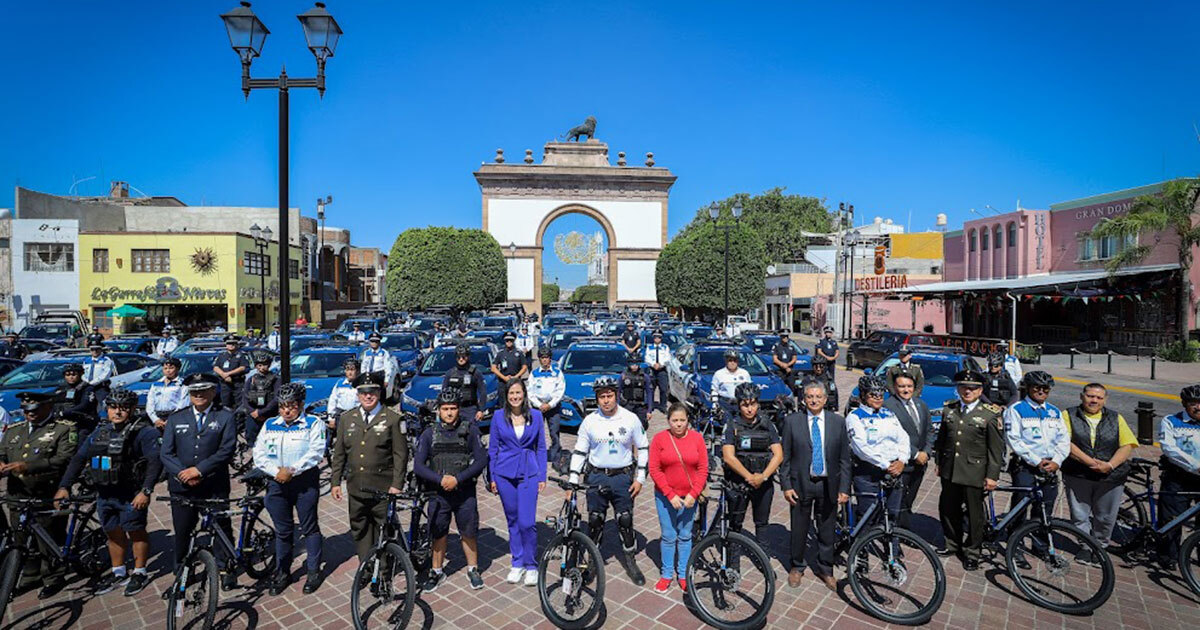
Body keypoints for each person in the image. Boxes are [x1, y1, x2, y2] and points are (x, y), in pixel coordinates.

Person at [55, 387, 160, 596]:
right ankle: (119, 571)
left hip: (131, 494)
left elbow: (154, 462)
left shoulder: (144, 432)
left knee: (136, 532)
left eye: (123, 408)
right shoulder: (100, 430)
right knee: (112, 533)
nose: (118, 412)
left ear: (131, 409)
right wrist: (64, 486)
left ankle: (140, 572)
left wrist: (146, 491)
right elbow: (79, 459)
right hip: (104, 494)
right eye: (113, 407)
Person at [159, 373, 238, 591]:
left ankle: (225, 568)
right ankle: (183, 573)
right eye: (194, 391)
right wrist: (184, 473)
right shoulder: (176, 418)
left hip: (213, 484)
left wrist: (199, 470)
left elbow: (226, 449)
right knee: (183, 531)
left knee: (221, 527)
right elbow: (166, 453)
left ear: (213, 392)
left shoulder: (224, 417)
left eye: (204, 390)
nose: (199, 394)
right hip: (182, 486)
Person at [568, 375, 650, 585]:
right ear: (597, 399)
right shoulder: (590, 421)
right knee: (595, 521)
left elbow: (642, 447)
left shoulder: (630, 418)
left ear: (616, 395)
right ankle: (593, 562)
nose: (606, 400)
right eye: (602, 397)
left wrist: (640, 478)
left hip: (622, 477)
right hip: (596, 476)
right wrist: (573, 480)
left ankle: (630, 562)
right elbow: (579, 451)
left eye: (609, 396)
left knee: (624, 520)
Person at [0, 392, 78, 598]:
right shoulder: (15, 429)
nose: (29, 414)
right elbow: (2, 451)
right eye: (26, 410)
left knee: (48, 537)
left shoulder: (63, 428)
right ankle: (29, 573)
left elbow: (64, 458)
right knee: (20, 535)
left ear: (47, 406)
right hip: (18, 493)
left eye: (33, 410)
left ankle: (53, 577)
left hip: (45, 491)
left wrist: (28, 466)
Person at [329, 372, 409, 572]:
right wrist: (335, 482)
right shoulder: (347, 419)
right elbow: (339, 453)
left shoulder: (392, 419)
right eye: (363, 392)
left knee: (384, 528)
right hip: (356, 486)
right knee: (360, 528)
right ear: (357, 394)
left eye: (372, 391)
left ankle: (382, 569)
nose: (368, 396)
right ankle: (366, 565)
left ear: (379, 392)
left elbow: (401, 454)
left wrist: (397, 484)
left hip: (383, 487)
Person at [252, 382, 327, 595]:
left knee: (309, 527)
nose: (286, 410)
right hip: (277, 483)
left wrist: (292, 470)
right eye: (282, 405)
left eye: (292, 405)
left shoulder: (313, 423)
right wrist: (276, 472)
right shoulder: (269, 424)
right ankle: (282, 572)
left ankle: (313, 571)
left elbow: (316, 452)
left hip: (304, 482)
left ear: (301, 405)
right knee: (283, 531)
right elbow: (259, 453)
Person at [414, 389, 489, 591]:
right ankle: (437, 571)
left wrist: (458, 479)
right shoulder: (429, 433)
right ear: (438, 410)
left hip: (464, 492)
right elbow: (418, 466)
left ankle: (473, 569)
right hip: (438, 494)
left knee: (469, 532)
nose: (449, 413)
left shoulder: (470, 430)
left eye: (453, 409)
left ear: (459, 410)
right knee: (438, 533)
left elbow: (482, 459)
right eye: (445, 409)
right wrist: (440, 480)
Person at [781, 381, 850, 590]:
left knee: (827, 528)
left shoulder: (837, 422)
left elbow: (844, 459)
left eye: (818, 397)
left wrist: (844, 488)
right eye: (810, 396)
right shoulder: (792, 422)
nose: (814, 400)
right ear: (803, 399)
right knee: (799, 527)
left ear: (825, 399)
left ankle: (825, 568)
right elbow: (785, 457)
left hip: (828, 484)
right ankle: (797, 566)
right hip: (801, 484)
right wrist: (786, 485)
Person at [934, 369, 1005, 570]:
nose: (968, 391)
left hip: (975, 472)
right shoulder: (950, 409)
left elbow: (995, 450)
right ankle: (952, 543)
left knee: (975, 516)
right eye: (964, 387)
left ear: (980, 390)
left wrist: (992, 476)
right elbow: (942, 439)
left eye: (973, 388)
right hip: (950, 469)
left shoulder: (990, 414)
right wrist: (939, 461)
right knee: (948, 508)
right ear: (958, 388)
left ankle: (973, 551)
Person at [1061, 383, 1136, 566]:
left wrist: (1109, 465)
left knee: (1106, 516)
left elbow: (1127, 445)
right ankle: (1086, 547)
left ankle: (1100, 546)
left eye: (1099, 397)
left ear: (1105, 399)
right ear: (1082, 396)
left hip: (1110, 477)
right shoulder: (1068, 415)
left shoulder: (1115, 418)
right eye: (1090, 396)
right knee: (1080, 515)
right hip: (1078, 474)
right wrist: (1090, 462)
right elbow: (1065, 442)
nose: (1094, 400)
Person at [1004, 370, 1071, 569]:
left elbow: (1063, 439)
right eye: (1037, 388)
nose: (1041, 391)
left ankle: (1040, 544)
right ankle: (1014, 545)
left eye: (1045, 389)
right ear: (1028, 388)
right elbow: (1013, 439)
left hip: (1050, 466)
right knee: (1020, 507)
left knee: (1045, 509)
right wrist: (1035, 461)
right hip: (1025, 466)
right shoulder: (1016, 409)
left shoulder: (1054, 412)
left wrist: (1057, 461)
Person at [487, 380, 547, 587]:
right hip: (504, 474)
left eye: (518, 392)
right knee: (512, 520)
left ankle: (531, 564)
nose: (515, 396)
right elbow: (493, 449)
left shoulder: (537, 416)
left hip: (529, 472)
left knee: (527, 522)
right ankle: (517, 562)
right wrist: (492, 477)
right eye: (511, 393)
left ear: (524, 394)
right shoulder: (497, 417)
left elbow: (541, 448)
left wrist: (542, 476)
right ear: (507, 395)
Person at [648, 403, 707, 593]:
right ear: (668, 421)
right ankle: (666, 574)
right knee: (668, 535)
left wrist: (694, 493)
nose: (679, 424)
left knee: (685, 535)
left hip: (689, 496)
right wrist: (670, 493)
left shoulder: (697, 439)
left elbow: (703, 469)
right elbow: (654, 469)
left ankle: (683, 573)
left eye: (682, 420)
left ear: (688, 420)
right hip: (666, 496)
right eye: (675, 420)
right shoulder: (660, 439)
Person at [722, 382, 785, 543]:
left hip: (763, 483)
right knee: (735, 525)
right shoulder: (732, 425)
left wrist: (763, 476)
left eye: (753, 404)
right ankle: (733, 563)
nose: (750, 409)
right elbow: (728, 457)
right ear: (738, 405)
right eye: (745, 405)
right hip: (738, 483)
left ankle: (762, 558)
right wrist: (749, 476)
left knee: (762, 523)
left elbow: (778, 455)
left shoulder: (767, 425)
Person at [845, 375, 909, 525]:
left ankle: (892, 546)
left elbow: (903, 437)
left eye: (881, 394)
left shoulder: (889, 414)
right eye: (873, 395)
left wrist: (902, 460)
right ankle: (861, 546)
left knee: (892, 515)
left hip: (894, 470)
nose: (878, 398)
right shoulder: (854, 417)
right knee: (869, 516)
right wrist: (886, 465)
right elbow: (861, 448)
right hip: (869, 473)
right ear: (863, 396)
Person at [1154, 384, 1200, 570]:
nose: (1198, 407)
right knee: (1173, 519)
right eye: (1193, 403)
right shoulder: (1171, 421)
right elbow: (1169, 448)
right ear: (1184, 404)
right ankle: (1168, 556)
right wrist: (1196, 466)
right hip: (1178, 477)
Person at [882, 373, 934, 533]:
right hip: (902, 463)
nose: (906, 390)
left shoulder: (921, 404)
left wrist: (926, 452)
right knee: (898, 502)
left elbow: (929, 430)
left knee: (909, 499)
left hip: (921, 463)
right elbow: (892, 436)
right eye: (902, 386)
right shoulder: (888, 406)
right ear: (895, 388)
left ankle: (902, 529)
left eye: (909, 386)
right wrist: (915, 454)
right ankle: (897, 534)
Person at [527, 347, 566, 470]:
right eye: (542, 358)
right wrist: (539, 405)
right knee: (536, 432)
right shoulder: (534, 373)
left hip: (552, 406)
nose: (545, 360)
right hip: (538, 407)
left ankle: (555, 456)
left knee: (554, 432)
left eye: (547, 358)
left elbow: (560, 391)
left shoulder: (557, 373)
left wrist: (550, 404)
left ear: (550, 359)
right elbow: (530, 391)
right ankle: (537, 455)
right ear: (539, 359)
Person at [241, 351, 281, 443]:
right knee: (251, 438)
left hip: (270, 414)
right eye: (259, 365)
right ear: (256, 366)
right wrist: (253, 412)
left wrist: (262, 412)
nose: (262, 368)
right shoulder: (251, 379)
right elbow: (245, 397)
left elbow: (276, 398)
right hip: (253, 414)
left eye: (265, 365)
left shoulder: (276, 379)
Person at [443, 344, 486, 424]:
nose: (461, 359)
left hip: (470, 409)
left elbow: (483, 392)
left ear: (468, 356)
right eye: (458, 357)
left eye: (463, 356)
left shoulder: (475, 373)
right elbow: (443, 392)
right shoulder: (450, 373)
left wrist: (481, 410)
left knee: (471, 432)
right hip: (454, 408)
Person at [55, 362, 99, 435]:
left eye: (74, 374)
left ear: (80, 374)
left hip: (84, 422)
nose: (71, 377)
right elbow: (56, 401)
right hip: (65, 421)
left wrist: (65, 412)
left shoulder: (87, 388)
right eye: (68, 375)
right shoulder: (63, 388)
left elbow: (84, 405)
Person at [147, 357, 190, 431]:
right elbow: (150, 403)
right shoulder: (156, 384)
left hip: (174, 416)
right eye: (165, 368)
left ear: (177, 369)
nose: (168, 371)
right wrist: (155, 419)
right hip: (158, 417)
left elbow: (183, 404)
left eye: (171, 368)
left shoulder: (182, 384)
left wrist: (171, 420)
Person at [711, 348, 752, 420]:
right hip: (725, 404)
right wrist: (715, 405)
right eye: (730, 360)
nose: (732, 363)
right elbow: (714, 390)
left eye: (735, 360)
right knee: (727, 425)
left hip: (740, 404)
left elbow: (749, 390)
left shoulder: (744, 373)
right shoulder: (719, 374)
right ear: (726, 361)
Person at [213, 335, 250, 411]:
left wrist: (228, 374)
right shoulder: (222, 356)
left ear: (237, 344)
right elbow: (216, 367)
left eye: (233, 343)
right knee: (225, 405)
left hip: (237, 384)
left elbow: (243, 367)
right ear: (226, 345)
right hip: (225, 385)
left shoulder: (241, 355)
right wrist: (224, 375)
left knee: (239, 406)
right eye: (229, 343)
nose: (231, 345)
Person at [619, 352, 651, 430]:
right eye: (632, 364)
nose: (634, 366)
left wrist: (649, 410)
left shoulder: (644, 377)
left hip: (640, 406)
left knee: (641, 427)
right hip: (627, 405)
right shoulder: (623, 376)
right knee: (626, 428)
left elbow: (649, 393)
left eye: (636, 364)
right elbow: (618, 392)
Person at [643, 330, 671, 415]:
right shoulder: (649, 347)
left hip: (662, 370)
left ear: (661, 338)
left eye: (659, 337)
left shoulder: (665, 347)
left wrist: (661, 364)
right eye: (655, 337)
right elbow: (647, 358)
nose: (657, 339)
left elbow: (668, 358)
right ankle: (650, 406)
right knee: (651, 389)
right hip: (652, 370)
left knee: (663, 389)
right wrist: (653, 364)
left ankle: (663, 406)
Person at [325, 358, 361, 424]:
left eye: (352, 369)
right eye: (347, 369)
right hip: (341, 416)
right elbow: (333, 401)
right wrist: (331, 418)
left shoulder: (361, 385)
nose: (350, 372)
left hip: (357, 417)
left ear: (358, 371)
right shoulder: (340, 384)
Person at [360, 332, 395, 398]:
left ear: (379, 343)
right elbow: (363, 365)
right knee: (370, 394)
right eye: (372, 341)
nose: (374, 343)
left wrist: (386, 380)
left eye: (376, 341)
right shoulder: (367, 353)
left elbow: (388, 367)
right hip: (369, 375)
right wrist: (363, 376)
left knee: (380, 395)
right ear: (369, 342)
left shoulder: (384, 353)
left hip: (379, 375)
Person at [83, 341, 117, 406]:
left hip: (101, 387)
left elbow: (106, 374)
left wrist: (94, 382)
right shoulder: (86, 361)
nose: (95, 351)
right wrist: (86, 380)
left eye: (97, 349)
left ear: (101, 349)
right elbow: (84, 373)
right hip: (88, 386)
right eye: (92, 349)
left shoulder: (106, 360)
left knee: (102, 406)